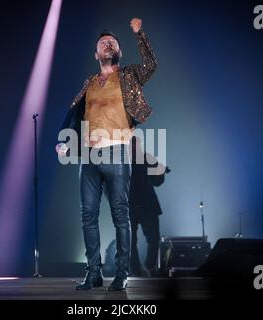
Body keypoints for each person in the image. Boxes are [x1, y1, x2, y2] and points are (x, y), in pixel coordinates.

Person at [56, 18, 157, 291]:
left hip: (117, 152)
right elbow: (75, 114)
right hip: (89, 156)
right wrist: (65, 141)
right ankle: (94, 273)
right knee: (87, 215)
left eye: (112, 42)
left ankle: (122, 273)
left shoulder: (128, 76)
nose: (107, 44)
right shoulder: (89, 82)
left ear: (119, 52)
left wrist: (139, 33)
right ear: (96, 54)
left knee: (120, 214)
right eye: (102, 43)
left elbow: (151, 66)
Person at [129, 136, 168, 277]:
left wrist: (160, 171)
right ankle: (136, 271)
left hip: (147, 205)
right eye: (133, 145)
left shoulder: (147, 158)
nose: (135, 147)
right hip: (130, 206)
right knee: (129, 241)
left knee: (154, 239)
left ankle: (147, 267)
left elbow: (158, 181)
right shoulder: (122, 160)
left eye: (137, 144)